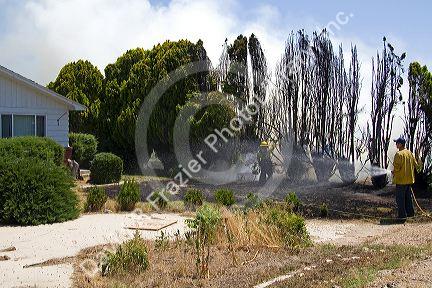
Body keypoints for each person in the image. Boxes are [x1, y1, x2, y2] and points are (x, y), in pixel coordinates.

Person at [391, 137, 418, 220]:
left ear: (401, 144)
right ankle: (410, 214)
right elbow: (416, 165)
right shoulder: (410, 153)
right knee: (408, 198)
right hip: (409, 180)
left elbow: (397, 168)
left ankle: (402, 216)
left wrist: (393, 172)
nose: (396, 144)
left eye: (397, 143)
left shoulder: (399, 154)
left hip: (401, 181)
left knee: (400, 199)